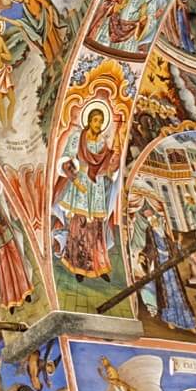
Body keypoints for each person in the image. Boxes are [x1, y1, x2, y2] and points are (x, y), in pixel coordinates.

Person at [55, 104, 118, 281]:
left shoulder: (102, 142)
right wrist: (75, 181)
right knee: (79, 226)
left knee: (96, 227)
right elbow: (66, 160)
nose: (98, 124)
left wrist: (112, 166)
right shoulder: (77, 137)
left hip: (96, 186)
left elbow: (105, 165)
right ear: (89, 121)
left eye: (101, 121)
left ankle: (99, 265)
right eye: (96, 120)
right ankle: (77, 266)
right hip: (80, 183)